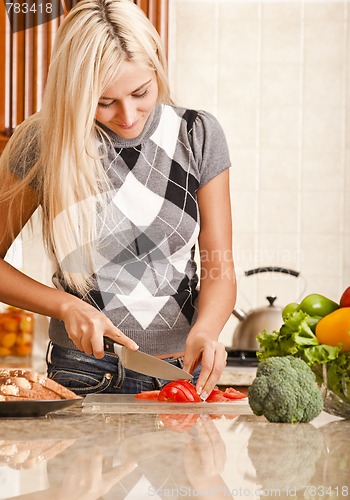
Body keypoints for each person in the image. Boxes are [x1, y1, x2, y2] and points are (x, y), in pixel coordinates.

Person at [0, 0, 236, 399]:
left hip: (180, 375)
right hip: (83, 373)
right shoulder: (44, 142)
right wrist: (65, 306)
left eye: (141, 92)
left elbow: (219, 265)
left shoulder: (197, 134)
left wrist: (206, 331)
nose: (127, 116)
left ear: (157, 67)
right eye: (104, 101)